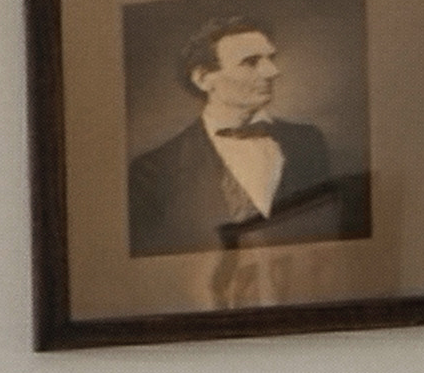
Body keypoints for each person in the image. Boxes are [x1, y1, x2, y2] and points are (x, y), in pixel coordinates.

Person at [120, 16, 364, 261]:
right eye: (251, 62)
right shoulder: (152, 171)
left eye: (270, 58)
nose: (272, 71)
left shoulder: (307, 142)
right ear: (203, 78)